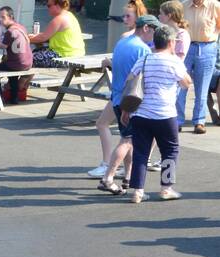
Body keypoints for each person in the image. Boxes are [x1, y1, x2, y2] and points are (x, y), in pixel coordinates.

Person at [125, 25, 191, 201]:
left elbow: (130, 80)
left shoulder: (145, 59)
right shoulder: (174, 61)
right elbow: (186, 83)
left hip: (140, 113)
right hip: (164, 114)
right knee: (170, 150)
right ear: (170, 42)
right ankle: (166, 189)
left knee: (140, 152)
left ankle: (138, 191)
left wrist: (126, 110)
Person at [90, 1, 148, 175]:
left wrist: (110, 62)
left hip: (124, 94)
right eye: (124, 15)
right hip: (124, 93)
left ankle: (109, 166)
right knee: (124, 133)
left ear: (138, 18)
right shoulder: (136, 39)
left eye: (128, 16)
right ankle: (125, 171)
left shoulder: (129, 39)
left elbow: (128, 69)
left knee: (112, 129)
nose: (124, 18)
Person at [180, 0, 219, 132]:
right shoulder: (183, 5)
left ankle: (199, 121)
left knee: (202, 88)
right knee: (180, 86)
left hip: (207, 46)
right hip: (186, 46)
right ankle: (177, 120)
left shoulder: (215, 6)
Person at [0, 6, 35, 103]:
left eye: (3, 17)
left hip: (17, 64)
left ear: (11, 17)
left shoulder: (9, 31)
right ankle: (14, 98)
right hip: (28, 63)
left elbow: (2, 46)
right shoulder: (21, 27)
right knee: (12, 73)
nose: (0, 19)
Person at [29, 0, 85, 68]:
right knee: (35, 52)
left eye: (49, 6)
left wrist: (24, 38)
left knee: (26, 59)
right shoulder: (69, 15)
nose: (47, 8)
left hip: (64, 56)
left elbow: (43, 37)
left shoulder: (59, 19)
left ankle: (20, 78)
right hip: (77, 54)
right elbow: (48, 34)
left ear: (58, 5)